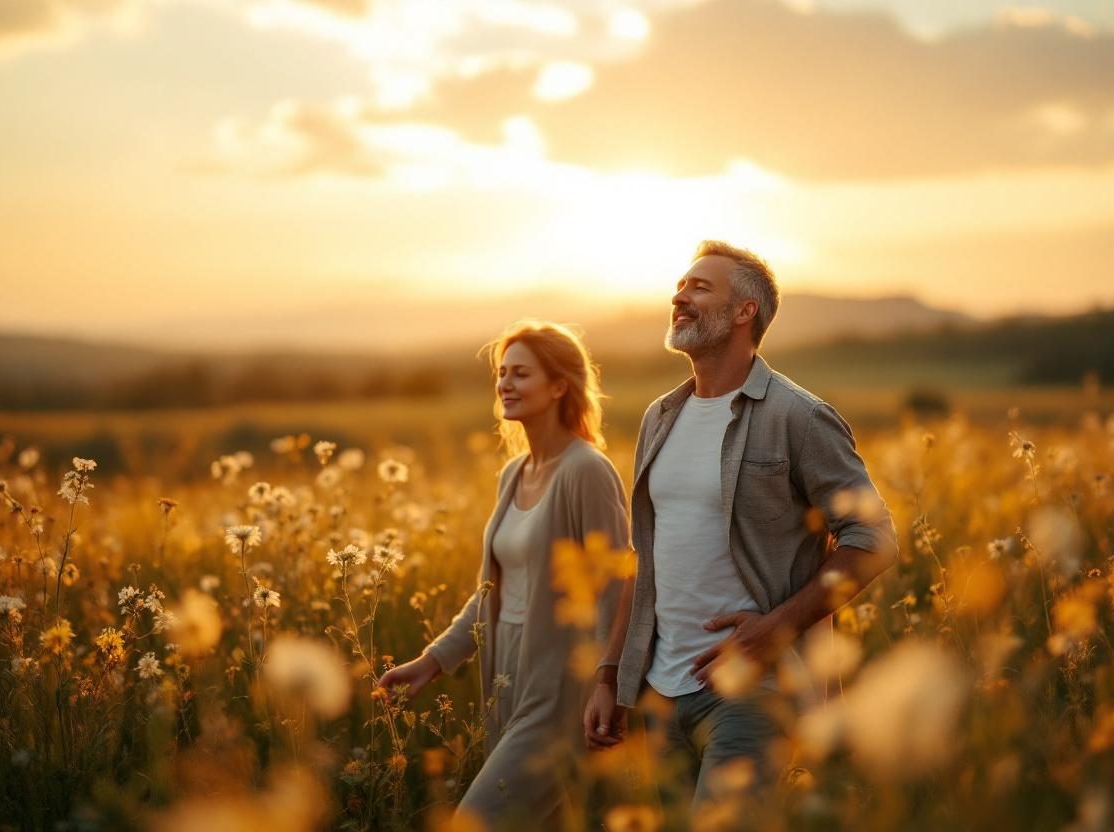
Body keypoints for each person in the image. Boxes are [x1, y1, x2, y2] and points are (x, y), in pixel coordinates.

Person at [584, 240, 900, 824]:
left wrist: (773, 632)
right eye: (680, 285)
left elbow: (874, 539)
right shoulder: (662, 416)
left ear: (744, 312)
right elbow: (644, 557)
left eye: (700, 287)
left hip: (753, 694)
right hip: (658, 691)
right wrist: (612, 673)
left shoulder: (798, 417)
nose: (679, 296)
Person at [378, 320, 630, 830]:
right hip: (504, 675)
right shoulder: (513, 473)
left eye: (521, 373)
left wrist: (608, 681)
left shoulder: (586, 470)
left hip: (562, 684)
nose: (504, 385)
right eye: (501, 373)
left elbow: (621, 583)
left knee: (479, 820)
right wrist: (432, 662)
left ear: (559, 386)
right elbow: (492, 592)